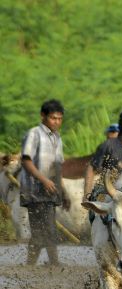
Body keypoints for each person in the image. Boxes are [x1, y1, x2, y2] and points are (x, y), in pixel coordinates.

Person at [19, 99, 70, 265]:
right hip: (34, 190)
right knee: (46, 230)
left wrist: (63, 190)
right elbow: (26, 161)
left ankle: (29, 265)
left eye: (59, 119)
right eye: (53, 118)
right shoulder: (34, 134)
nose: (56, 122)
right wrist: (45, 180)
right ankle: (54, 264)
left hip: (49, 190)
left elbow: (57, 167)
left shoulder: (57, 137)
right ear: (43, 116)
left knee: (42, 231)